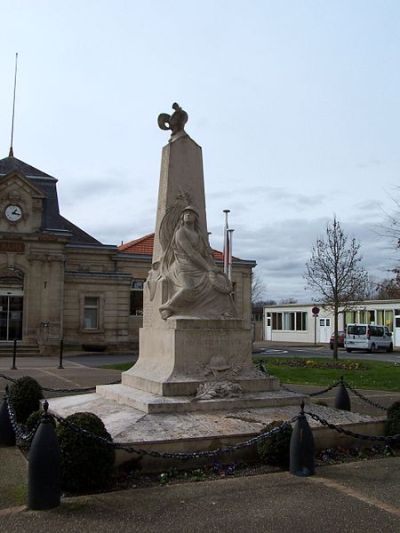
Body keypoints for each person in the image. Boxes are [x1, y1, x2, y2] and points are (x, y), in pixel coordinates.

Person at [159, 206, 236, 320]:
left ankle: (224, 311)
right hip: (183, 267)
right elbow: (191, 253)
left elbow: (206, 254)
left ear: (196, 217)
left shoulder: (199, 235)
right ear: (182, 217)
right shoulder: (180, 232)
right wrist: (208, 268)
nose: (188, 215)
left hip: (199, 268)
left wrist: (214, 269)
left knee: (220, 281)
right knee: (188, 288)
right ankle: (168, 307)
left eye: (191, 213)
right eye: (186, 213)